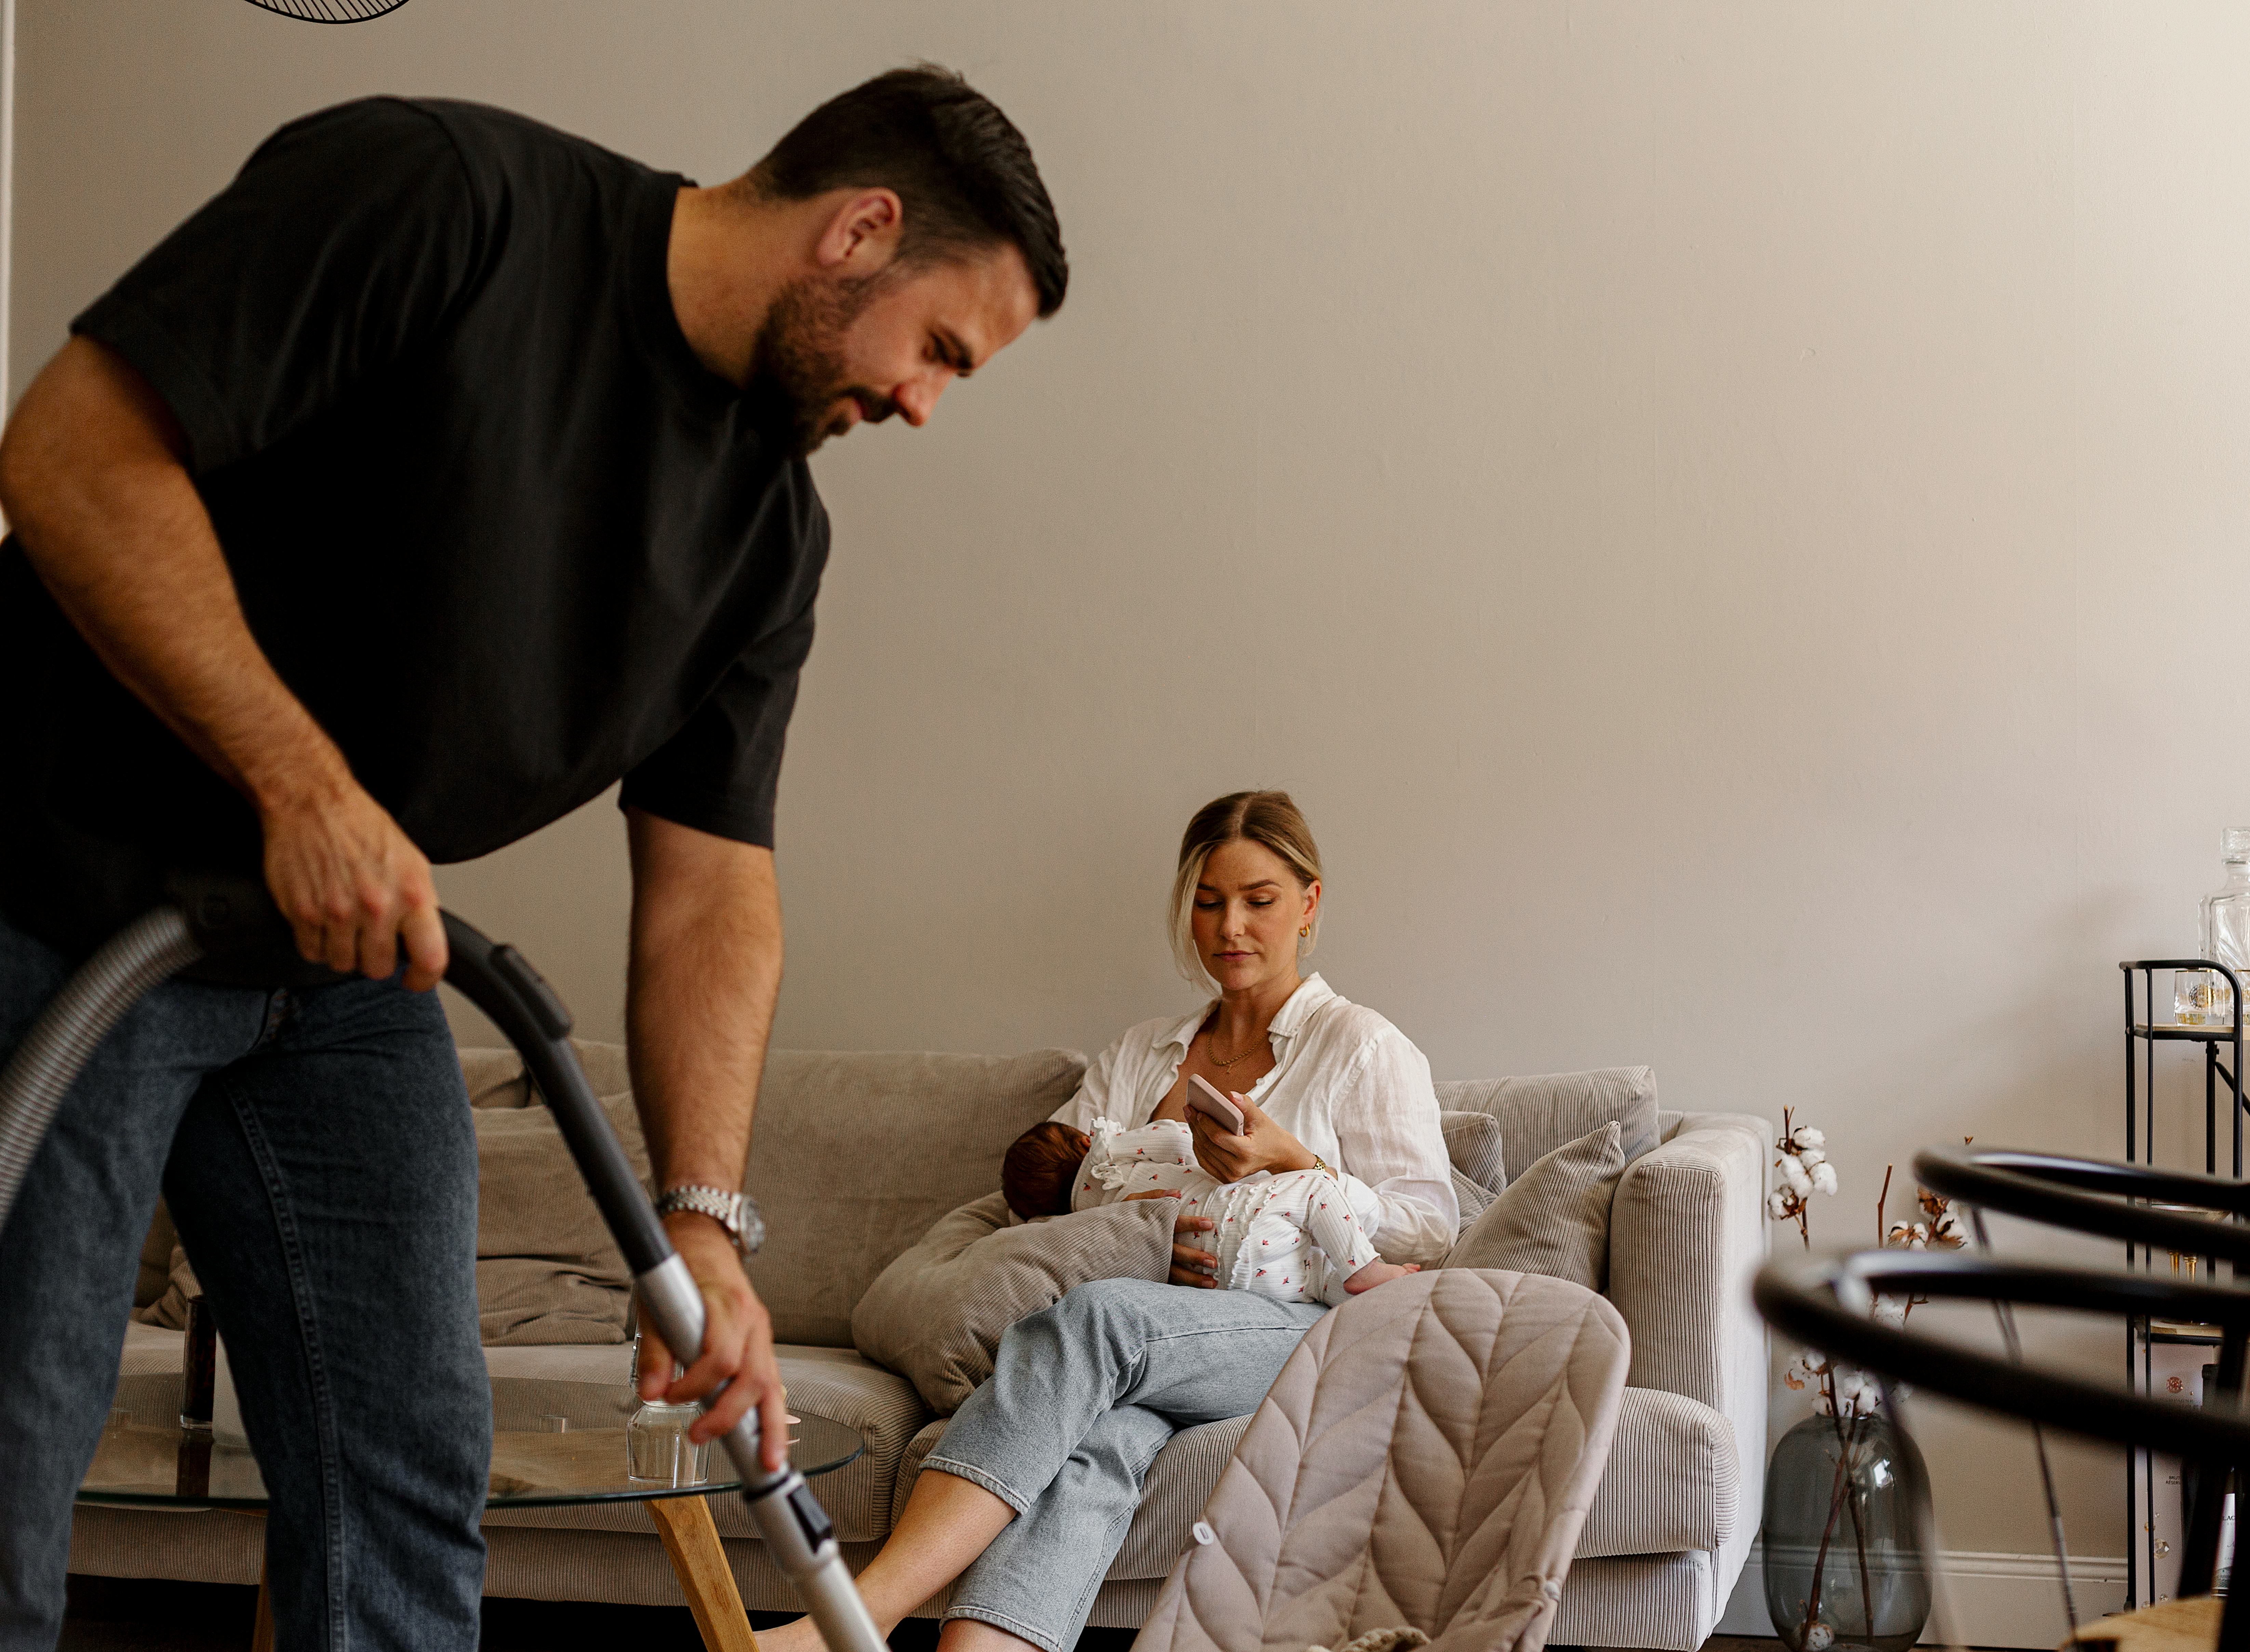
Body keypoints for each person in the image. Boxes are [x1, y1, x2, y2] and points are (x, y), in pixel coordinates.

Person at [0, 67, 1064, 1651]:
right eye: (941, 350)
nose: (921, 404)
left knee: (408, 1465)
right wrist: (298, 780)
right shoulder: (441, 200)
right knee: (13, 1452)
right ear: (860, 230)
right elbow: (70, 452)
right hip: (60, 898)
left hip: (337, 964)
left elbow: (711, 884)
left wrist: (701, 1227)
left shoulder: (768, 537)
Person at [760, 789, 1455, 1652]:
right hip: (1163, 1335)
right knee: (1098, 1438)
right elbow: (1048, 1199)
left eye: (1258, 900)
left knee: (1099, 1318)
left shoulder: (1362, 1046)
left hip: (1303, 1324)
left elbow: (1429, 1227)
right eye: (1208, 902)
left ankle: (852, 1622)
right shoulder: (1139, 1054)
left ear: (1309, 904)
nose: (1230, 926)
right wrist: (1134, 1221)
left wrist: (1294, 1161)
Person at [1003, 1112, 1421, 1304]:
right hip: (1236, 1218)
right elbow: (1179, 1142)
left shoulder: (1086, 1222)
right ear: (1084, 1141)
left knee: (1313, 1282)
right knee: (1315, 1189)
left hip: (1221, 1286)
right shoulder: (1110, 1152)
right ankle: (1365, 1271)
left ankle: (1380, 1298)